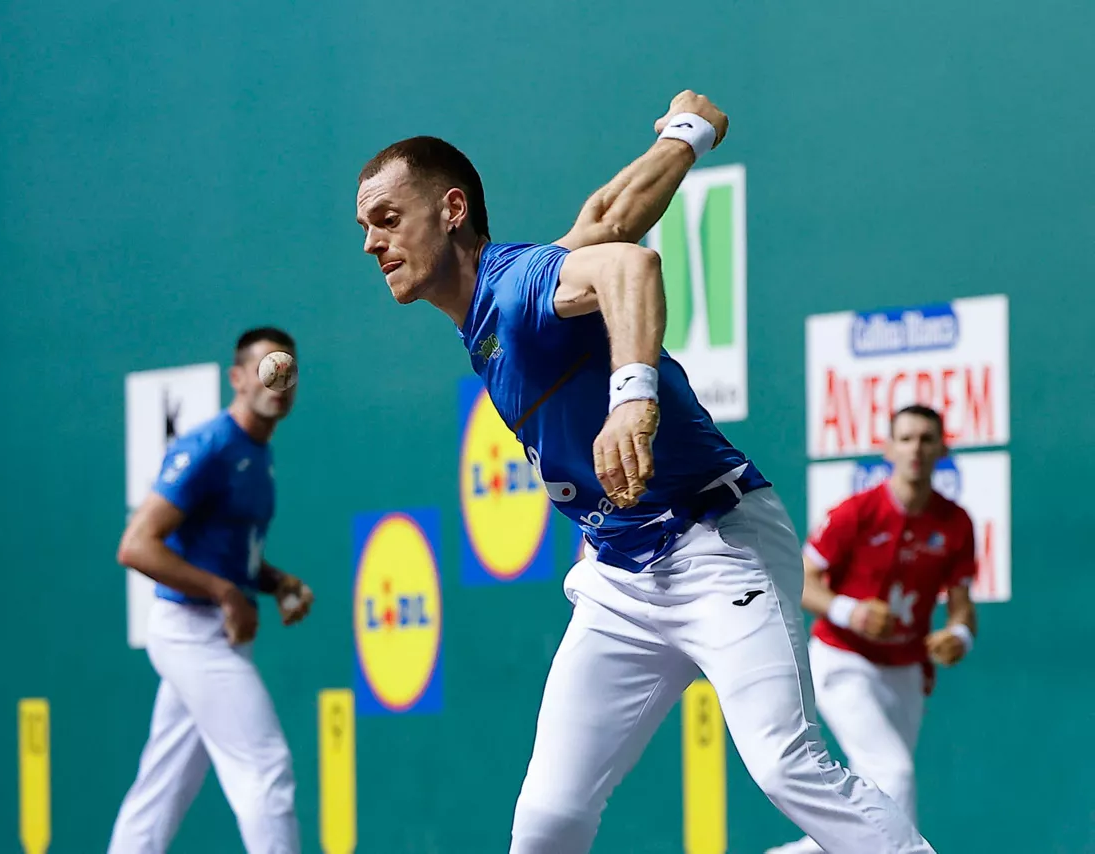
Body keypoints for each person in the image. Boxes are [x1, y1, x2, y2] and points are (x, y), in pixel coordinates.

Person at [354, 91, 936, 853]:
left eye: (387, 218)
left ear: (452, 208)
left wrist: (633, 398)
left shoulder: (516, 284)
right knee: (548, 819)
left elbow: (630, 264)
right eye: (364, 227)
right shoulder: (500, 307)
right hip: (622, 576)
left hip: (715, 541)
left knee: (785, 764)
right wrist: (686, 136)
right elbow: (608, 221)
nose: (371, 243)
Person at [108, 327, 316, 854]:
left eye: (288, 372)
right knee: (266, 768)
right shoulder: (211, 447)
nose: (280, 382)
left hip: (213, 634)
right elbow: (137, 545)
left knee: (161, 787)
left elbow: (227, 553)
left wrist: (274, 581)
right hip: (191, 633)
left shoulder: (257, 453)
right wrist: (226, 595)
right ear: (238, 379)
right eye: (268, 370)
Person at [765, 405, 978, 854]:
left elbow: (962, 607)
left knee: (878, 797)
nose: (915, 449)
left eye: (925, 439)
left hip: (904, 674)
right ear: (887, 448)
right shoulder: (856, 513)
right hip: (842, 660)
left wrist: (959, 636)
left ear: (942, 448)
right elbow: (801, 578)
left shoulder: (955, 523)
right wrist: (849, 611)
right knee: (894, 775)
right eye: (905, 438)